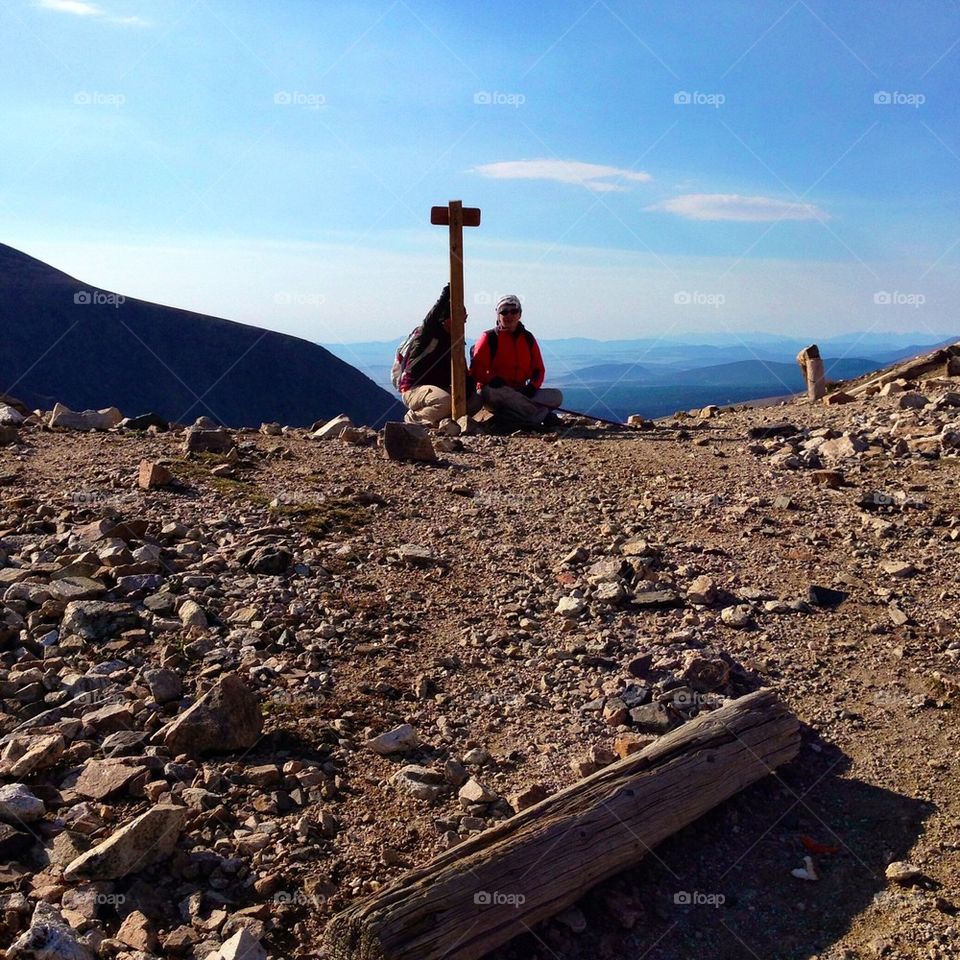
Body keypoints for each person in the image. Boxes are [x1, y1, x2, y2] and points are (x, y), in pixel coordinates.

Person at [469, 294, 563, 430]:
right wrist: (491, 379)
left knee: (556, 396)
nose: (509, 315)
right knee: (494, 392)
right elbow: (476, 369)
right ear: (498, 315)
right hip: (496, 392)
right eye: (504, 312)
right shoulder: (488, 337)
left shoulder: (528, 338)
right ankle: (539, 416)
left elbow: (538, 369)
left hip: (521, 391)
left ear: (520, 314)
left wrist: (533, 386)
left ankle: (514, 417)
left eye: (514, 311)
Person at [399, 283, 482, 427]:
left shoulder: (456, 342)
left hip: (440, 389)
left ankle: (440, 421)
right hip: (414, 388)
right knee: (444, 402)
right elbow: (429, 320)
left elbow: (462, 371)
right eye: (460, 317)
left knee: (475, 401)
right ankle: (414, 419)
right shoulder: (427, 336)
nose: (464, 321)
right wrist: (444, 297)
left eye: (465, 316)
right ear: (445, 318)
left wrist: (468, 388)